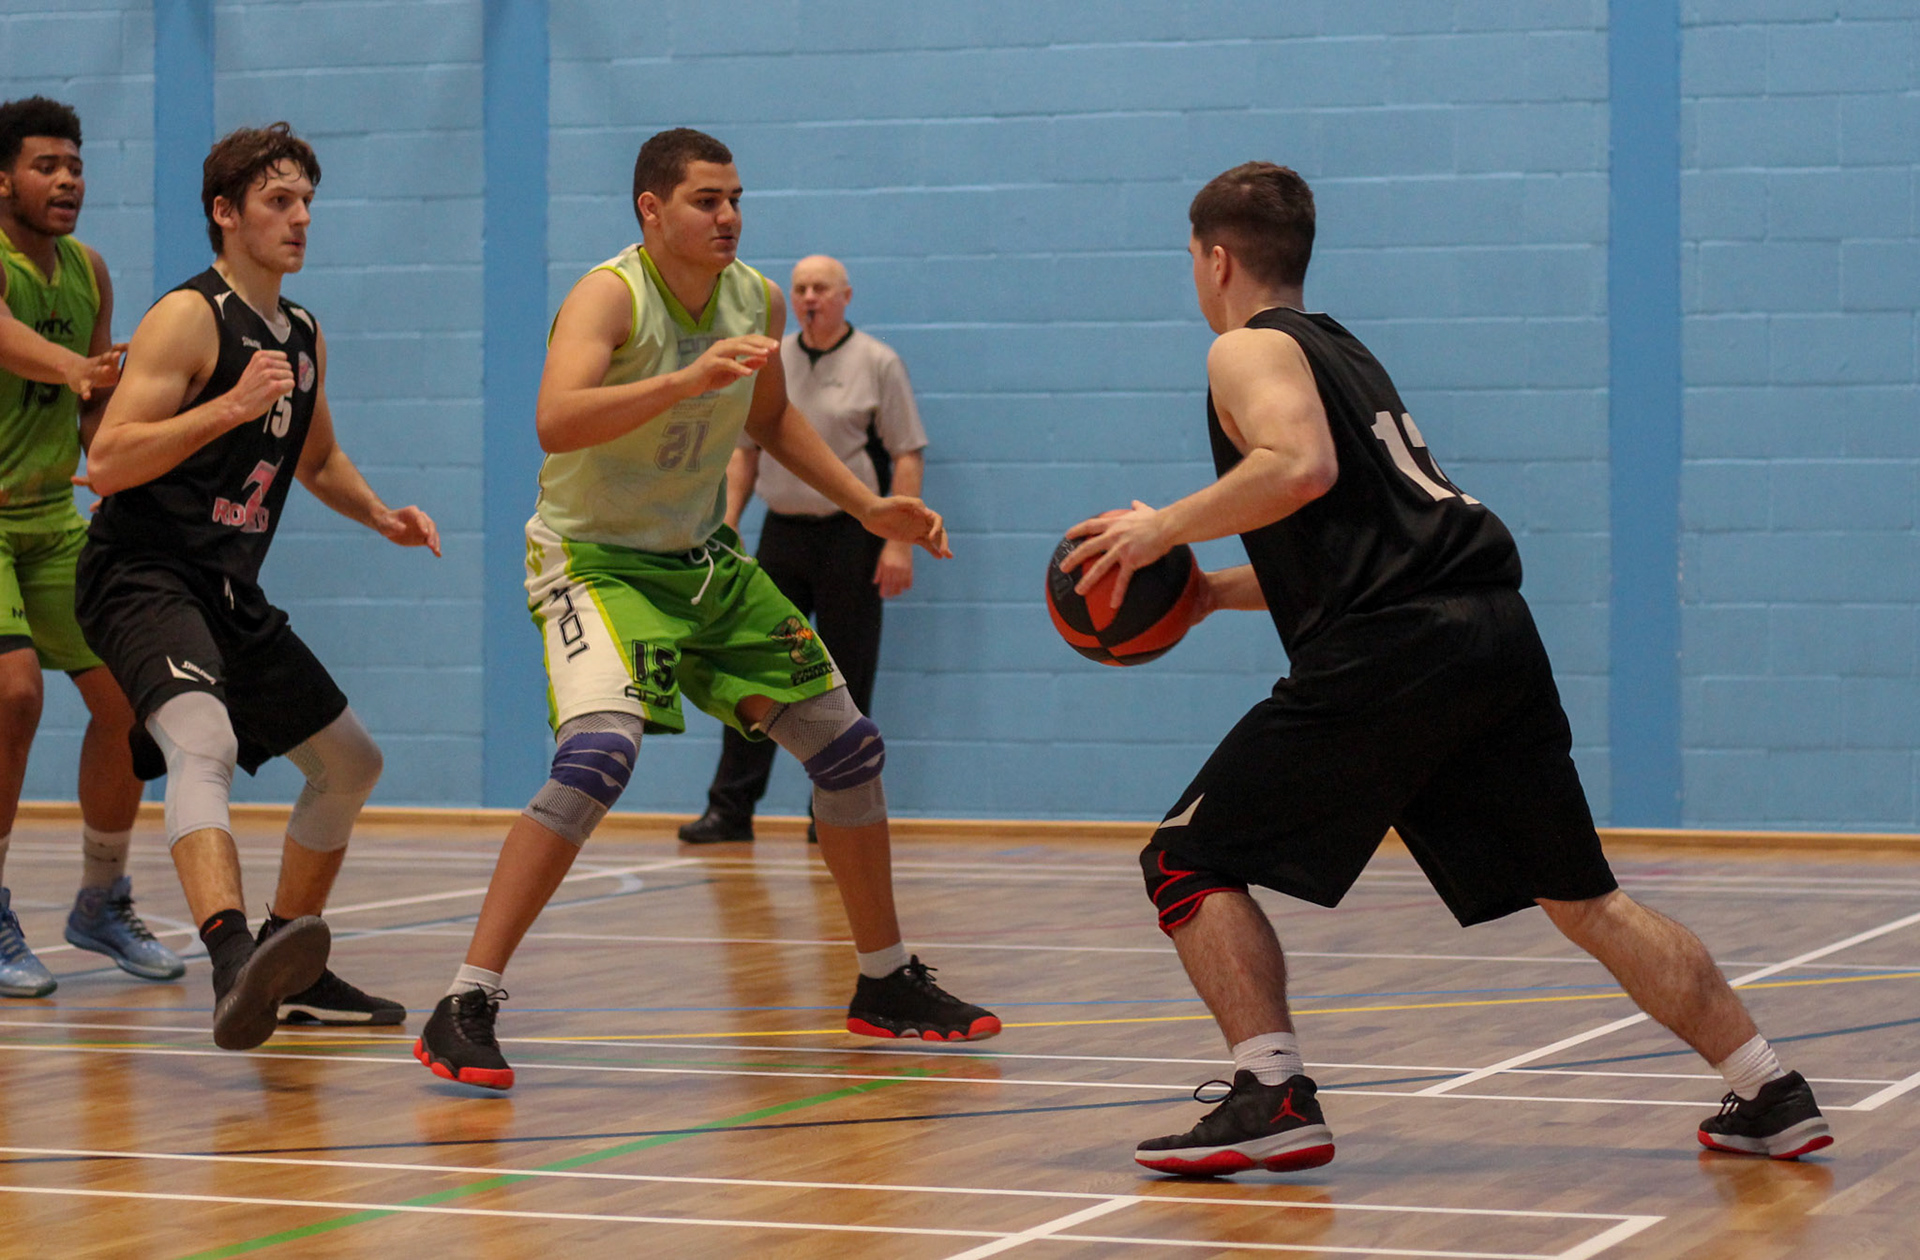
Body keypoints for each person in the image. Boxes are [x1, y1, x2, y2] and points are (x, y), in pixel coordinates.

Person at [1062, 162, 1830, 1175]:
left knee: (1184, 858)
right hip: (1486, 631)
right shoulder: (1342, 351)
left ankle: (1271, 1092)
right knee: (1584, 898)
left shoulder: (1244, 349)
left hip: (1399, 648)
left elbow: (1299, 469)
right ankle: (1769, 1088)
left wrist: (1162, 528)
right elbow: (1364, 534)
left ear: (1214, 260)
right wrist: (1206, 592)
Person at [414, 128, 998, 1091]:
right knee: (598, 758)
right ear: (651, 209)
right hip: (596, 564)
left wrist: (867, 506)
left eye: (736, 199)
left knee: (848, 747)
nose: (729, 216)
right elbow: (555, 420)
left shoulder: (754, 296)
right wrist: (685, 380)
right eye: (706, 200)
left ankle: (885, 979)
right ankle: (465, 1001)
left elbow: (771, 421)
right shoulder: (612, 295)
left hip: (702, 563)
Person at [77, 123, 441, 1049]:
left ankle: (293, 962)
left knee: (351, 764)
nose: (300, 217)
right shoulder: (189, 317)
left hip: (228, 593)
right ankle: (232, 958)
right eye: (279, 200)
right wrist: (229, 407)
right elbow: (109, 460)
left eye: (307, 201)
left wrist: (381, 515)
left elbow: (316, 460)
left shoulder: (303, 334)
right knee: (204, 740)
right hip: (141, 574)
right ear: (225, 212)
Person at [0, 96, 181, 997]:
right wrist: (74, 367)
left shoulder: (88, 270)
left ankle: (100, 899)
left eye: (74, 165)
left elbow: (94, 403)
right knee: (14, 696)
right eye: (46, 166)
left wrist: (124, 455)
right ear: (3, 181)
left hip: (53, 520)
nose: (67, 180)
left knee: (133, 705)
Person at [679, 254, 927, 845]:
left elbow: (907, 455)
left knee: (845, 677)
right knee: (755, 671)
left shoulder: (878, 362)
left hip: (850, 538)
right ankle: (730, 809)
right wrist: (728, 523)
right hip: (783, 534)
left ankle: (834, 813)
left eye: (821, 288)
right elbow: (745, 454)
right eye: (801, 288)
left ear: (845, 297)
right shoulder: (772, 359)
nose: (810, 297)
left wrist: (899, 545)